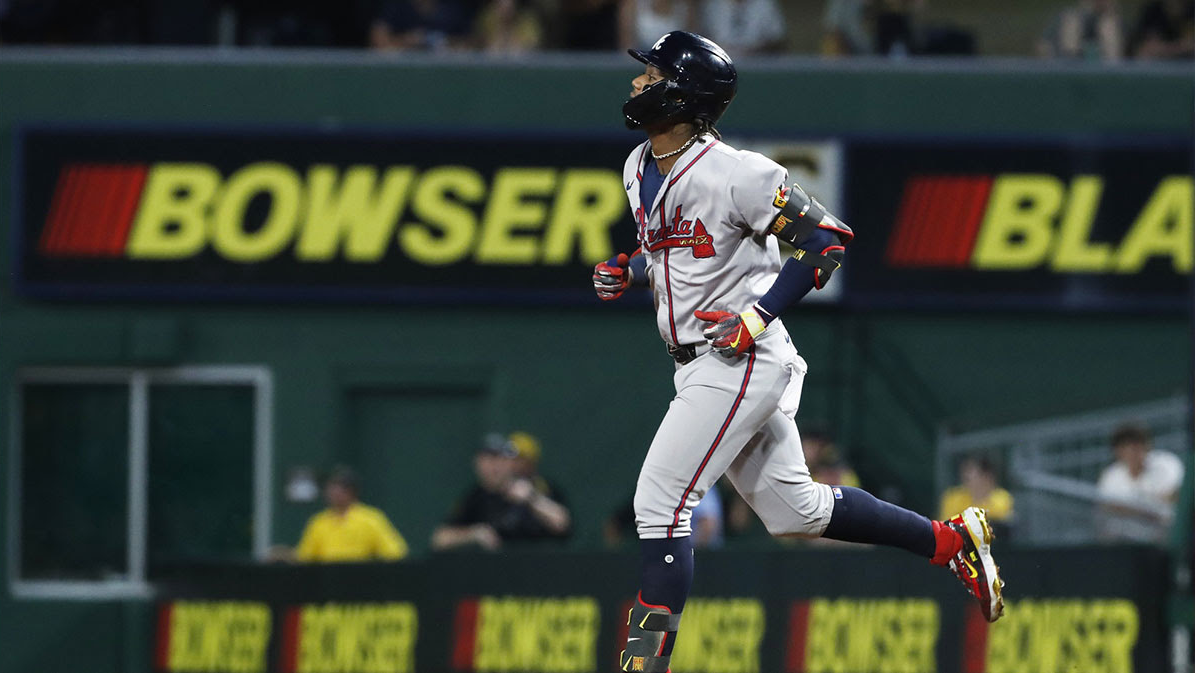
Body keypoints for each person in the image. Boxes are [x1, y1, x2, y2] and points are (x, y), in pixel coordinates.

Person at [591, 30, 1004, 673]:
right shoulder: (639, 166)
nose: (638, 82)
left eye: (651, 74)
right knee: (796, 512)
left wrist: (755, 318)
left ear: (680, 92)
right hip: (701, 361)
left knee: (660, 502)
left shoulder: (740, 173)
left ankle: (643, 666)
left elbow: (828, 241)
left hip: (741, 358)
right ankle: (952, 541)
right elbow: (680, 255)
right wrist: (630, 268)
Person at [432, 433, 572, 550]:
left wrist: (532, 499)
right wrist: (473, 533)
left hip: (543, 566)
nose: (495, 466)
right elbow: (439, 539)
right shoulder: (476, 496)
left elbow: (562, 523)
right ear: (478, 463)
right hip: (500, 571)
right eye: (488, 460)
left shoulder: (536, 486)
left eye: (501, 459)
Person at [294, 466, 409, 562]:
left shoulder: (371, 519)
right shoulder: (318, 522)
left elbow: (395, 552)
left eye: (340, 489)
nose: (333, 494)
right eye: (331, 489)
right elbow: (305, 557)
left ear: (351, 492)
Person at [1097, 423, 1185, 543]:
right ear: (1117, 451)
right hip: (1127, 541)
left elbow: (1175, 495)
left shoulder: (1167, 463)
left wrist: (1132, 508)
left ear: (1147, 445)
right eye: (1126, 447)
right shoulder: (1111, 476)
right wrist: (1150, 508)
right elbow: (1108, 507)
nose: (1133, 452)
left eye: (1137, 445)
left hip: (1167, 536)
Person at [939, 455, 1014, 539]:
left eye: (970, 473)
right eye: (964, 473)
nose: (965, 477)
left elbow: (1002, 529)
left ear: (986, 476)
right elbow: (946, 529)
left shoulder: (1002, 499)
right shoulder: (953, 498)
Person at [1037, 0, 1125, 61]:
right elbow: (1043, 45)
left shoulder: (1117, 24)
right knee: (1071, 22)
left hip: (1109, 73)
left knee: (1108, 26)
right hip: (1067, 71)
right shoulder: (1069, 19)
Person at [1130, 0, 1195, 59]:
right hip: (1158, 67)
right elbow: (1143, 51)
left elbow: (1191, 45)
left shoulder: (1192, 10)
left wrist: (1163, 49)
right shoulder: (1152, 11)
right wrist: (1181, 47)